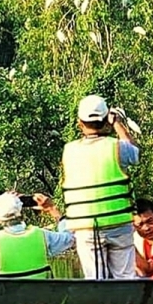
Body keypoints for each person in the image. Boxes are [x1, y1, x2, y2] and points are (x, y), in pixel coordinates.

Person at [58, 94, 140, 279]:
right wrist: (118, 124)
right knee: (126, 279)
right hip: (119, 224)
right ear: (106, 121)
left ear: (80, 122)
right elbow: (135, 154)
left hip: (85, 227)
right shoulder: (118, 147)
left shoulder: (69, 151)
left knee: (96, 282)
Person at [0, 192, 76, 279]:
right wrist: (52, 209)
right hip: (43, 298)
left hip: (6, 299)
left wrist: (1, 209)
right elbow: (71, 237)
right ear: (20, 211)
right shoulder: (41, 236)